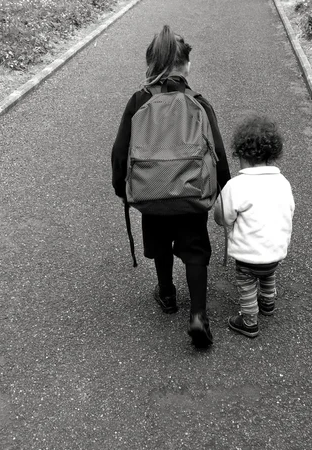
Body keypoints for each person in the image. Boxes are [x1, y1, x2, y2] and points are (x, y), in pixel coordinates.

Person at [111, 25, 231, 348]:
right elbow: (217, 153)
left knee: (160, 244)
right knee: (195, 249)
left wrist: (121, 187)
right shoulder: (199, 103)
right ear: (186, 65)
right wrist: (226, 188)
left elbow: (120, 152)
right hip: (192, 193)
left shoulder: (139, 101)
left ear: (151, 64)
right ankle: (198, 315)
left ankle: (166, 294)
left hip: (152, 194)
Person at [214, 112, 295, 338]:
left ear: (240, 152)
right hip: (276, 251)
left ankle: (249, 319)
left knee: (247, 281)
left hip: (249, 256)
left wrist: (221, 215)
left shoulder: (237, 185)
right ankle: (268, 301)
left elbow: (223, 217)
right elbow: (289, 210)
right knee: (267, 274)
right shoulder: (283, 182)